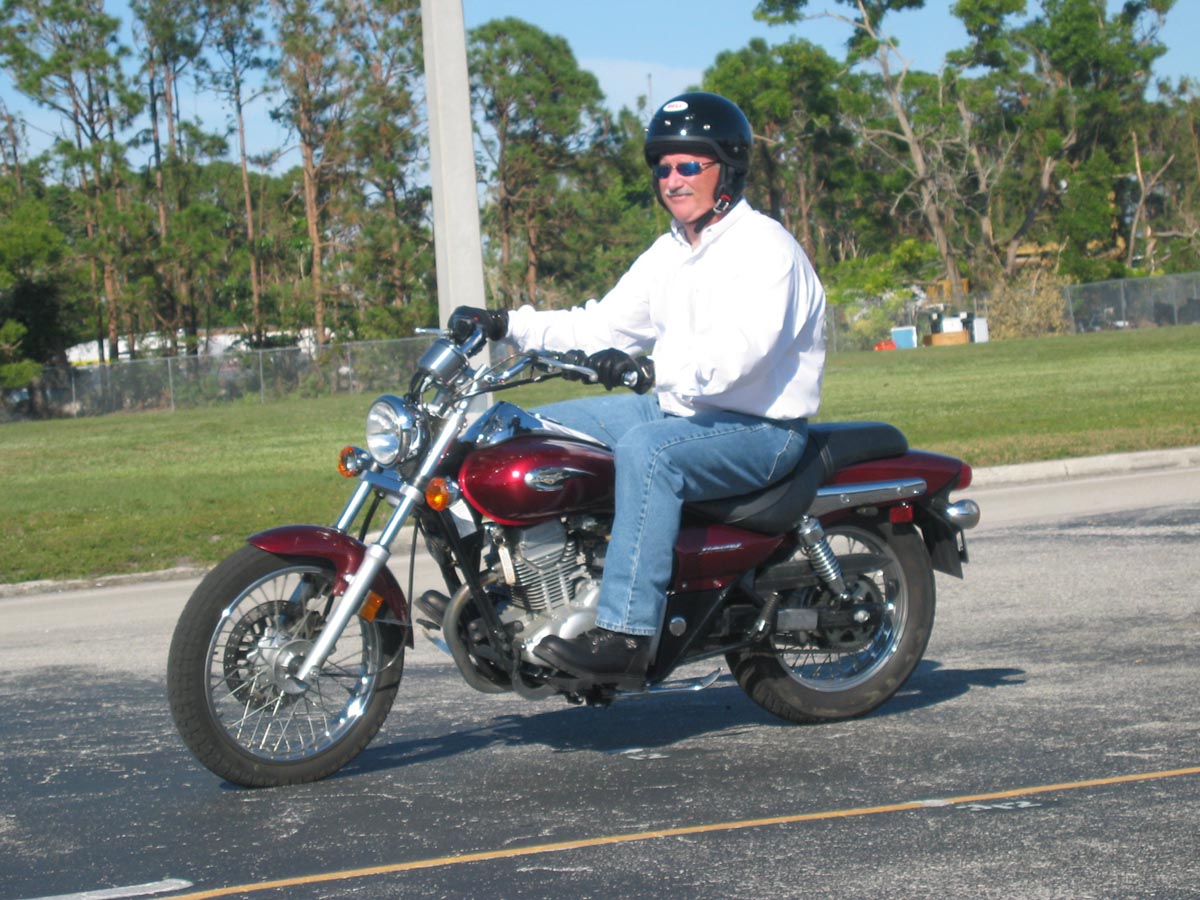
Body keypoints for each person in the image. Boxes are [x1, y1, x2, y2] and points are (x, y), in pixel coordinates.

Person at [447, 91, 826, 687]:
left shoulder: (766, 248)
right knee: (514, 428)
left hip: (760, 429)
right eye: (663, 167)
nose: (673, 180)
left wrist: (649, 370)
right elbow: (599, 327)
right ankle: (508, 596)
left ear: (727, 168)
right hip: (678, 410)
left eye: (688, 165)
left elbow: (740, 357)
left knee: (648, 454)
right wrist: (505, 324)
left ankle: (626, 634)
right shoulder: (670, 252)